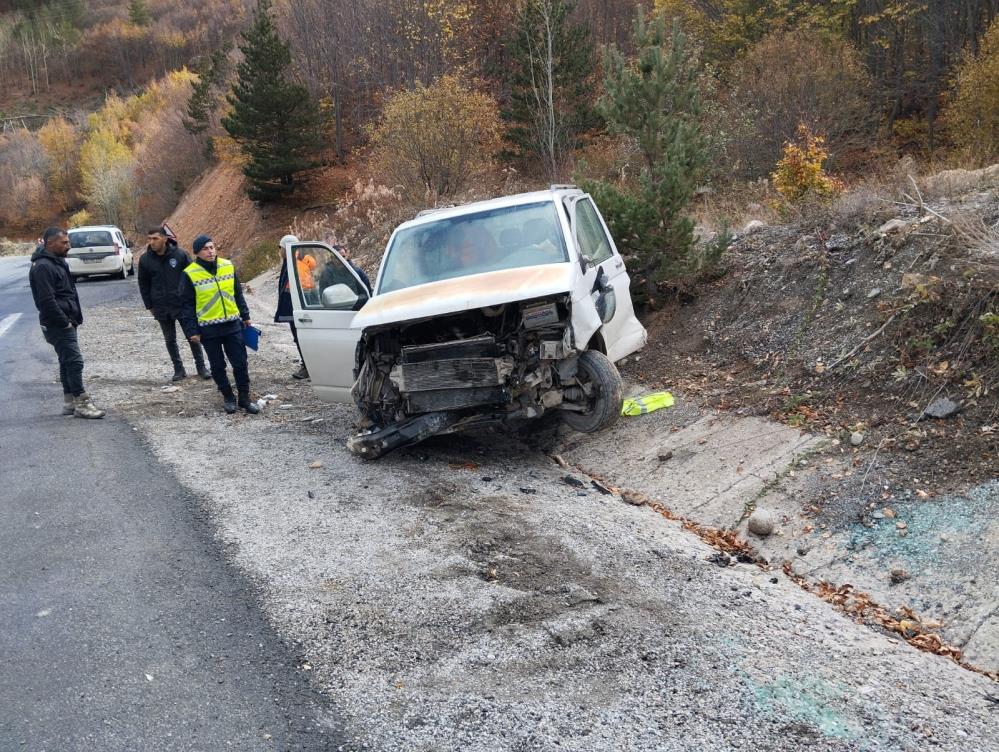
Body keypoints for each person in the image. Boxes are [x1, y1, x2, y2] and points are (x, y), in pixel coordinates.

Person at [27, 226, 105, 419]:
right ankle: (82, 403)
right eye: (64, 243)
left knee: (66, 361)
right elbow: (46, 301)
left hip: (66, 320)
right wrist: (64, 323)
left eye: (68, 242)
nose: (68, 246)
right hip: (57, 323)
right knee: (75, 361)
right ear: (50, 243)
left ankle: (69, 402)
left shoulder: (57, 262)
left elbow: (67, 292)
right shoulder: (43, 266)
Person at [178, 235, 259, 415]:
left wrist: (245, 316)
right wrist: (192, 331)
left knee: (240, 363)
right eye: (205, 249)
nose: (210, 251)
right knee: (217, 366)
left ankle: (244, 398)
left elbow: (238, 293)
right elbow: (187, 305)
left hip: (232, 324)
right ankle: (228, 397)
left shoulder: (227, 266)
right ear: (197, 252)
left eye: (212, 247)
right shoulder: (189, 273)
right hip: (208, 329)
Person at [137, 226, 211, 382]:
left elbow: (193, 277)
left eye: (155, 238)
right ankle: (178, 369)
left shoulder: (180, 255)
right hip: (160, 306)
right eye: (149, 239)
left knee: (192, 336)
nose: (152, 242)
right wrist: (149, 305)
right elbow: (143, 284)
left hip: (182, 304)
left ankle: (201, 367)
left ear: (164, 238)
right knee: (170, 339)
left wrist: (195, 301)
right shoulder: (145, 260)